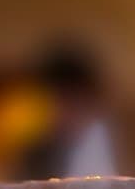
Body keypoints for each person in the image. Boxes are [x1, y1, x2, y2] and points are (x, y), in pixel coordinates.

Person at [18, 41, 117, 180]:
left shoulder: (122, 143)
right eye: (58, 101)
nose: (65, 111)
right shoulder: (34, 157)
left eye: (73, 100)